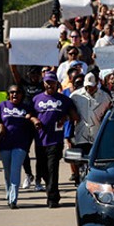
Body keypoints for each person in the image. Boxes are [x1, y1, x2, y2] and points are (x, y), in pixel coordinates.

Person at [32, 72, 79, 208]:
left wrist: (66, 117)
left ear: (57, 83)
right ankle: (52, 190)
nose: (49, 85)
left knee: (52, 168)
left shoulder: (64, 99)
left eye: (52, 82)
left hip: (55, 140)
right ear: (44, 83)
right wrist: (34, 119)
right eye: (47, 82)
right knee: (42, 169)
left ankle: (52, 199)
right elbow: (29, 115)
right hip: (40, 140)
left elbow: (75, 116)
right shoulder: (36, 99)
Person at [0, 85, 38, 209]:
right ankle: (9, 194)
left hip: (20, 144)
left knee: (15, 169)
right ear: (9, 94)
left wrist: (31, 119)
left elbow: (33, 121)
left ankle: (13, 199)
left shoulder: (26, 108)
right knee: (7, 171)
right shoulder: (2, 106)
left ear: (22, 95)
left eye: (18, 92)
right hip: (5, 143)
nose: (15, 95)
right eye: (12, 92)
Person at [70, 73, 111, 184]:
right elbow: (70, 114)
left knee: (94, 163)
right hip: (81, 135)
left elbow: (108, 114)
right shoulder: (75, 96)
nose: (90, 89)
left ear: (97, 83)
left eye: (92, 86)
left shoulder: (105, 97)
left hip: (97, 135)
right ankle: (81, 181)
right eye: (88, 86)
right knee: (81, 162)